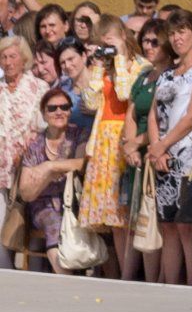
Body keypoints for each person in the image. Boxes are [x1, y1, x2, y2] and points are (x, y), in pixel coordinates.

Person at [146, 12, 192, 287]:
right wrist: (157, 148)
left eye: (182, 31)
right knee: (168, 224)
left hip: (189, 154)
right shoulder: (166, 74)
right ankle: (171, 283)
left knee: (187, 225)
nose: (177, 38)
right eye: (173, 33)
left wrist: (163, 145)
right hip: (163, 154)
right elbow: (154, 114)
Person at [78, 17, 149, 269]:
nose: (106, 47)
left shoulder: (141, 66)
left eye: (110, 41)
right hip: (103, 141)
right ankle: (122, 272)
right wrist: (98, 67)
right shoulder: (105, 67)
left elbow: (125, 93)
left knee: (128, 213)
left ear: (123, 36)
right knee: (114, 218)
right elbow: (90, 102)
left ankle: (132, 273)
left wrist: (119, 58)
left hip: (124, 136)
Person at [19, 88, 88, 274]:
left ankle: (110, 279)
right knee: (53, 222)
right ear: (44, 114)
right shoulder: (35, 145)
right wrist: (49, 176)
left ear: (70, 111)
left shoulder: (79, 135)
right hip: (43, 205)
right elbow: (26, 193)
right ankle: (67, 281)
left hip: (76, 202)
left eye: (64, 107)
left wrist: (49, 167)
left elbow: (82, 163)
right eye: (52, 108)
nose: (59, 112)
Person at [120, 19, 166, 282]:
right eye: (145, 41)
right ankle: (133, 278)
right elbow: (131, 112)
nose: (148, 46)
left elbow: (162, 119)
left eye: (154, 42)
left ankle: (155, 280)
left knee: (154, 218)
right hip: (136, 152)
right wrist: (130, 146)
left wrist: (138, 143)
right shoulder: (143, 75)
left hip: (156, 150)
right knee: (137, 216)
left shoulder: (169, 76)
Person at [0, 38, 45, 268]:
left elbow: (44, 124)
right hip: (2, 166)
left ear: (24, 59)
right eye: (3, 57)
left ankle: (35, 272)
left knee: (29, 222)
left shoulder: (39, 87)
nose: (8, 62)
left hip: (29, 165)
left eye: (12, 56)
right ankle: (5, 272)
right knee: (2, 223)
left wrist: (30, 143)